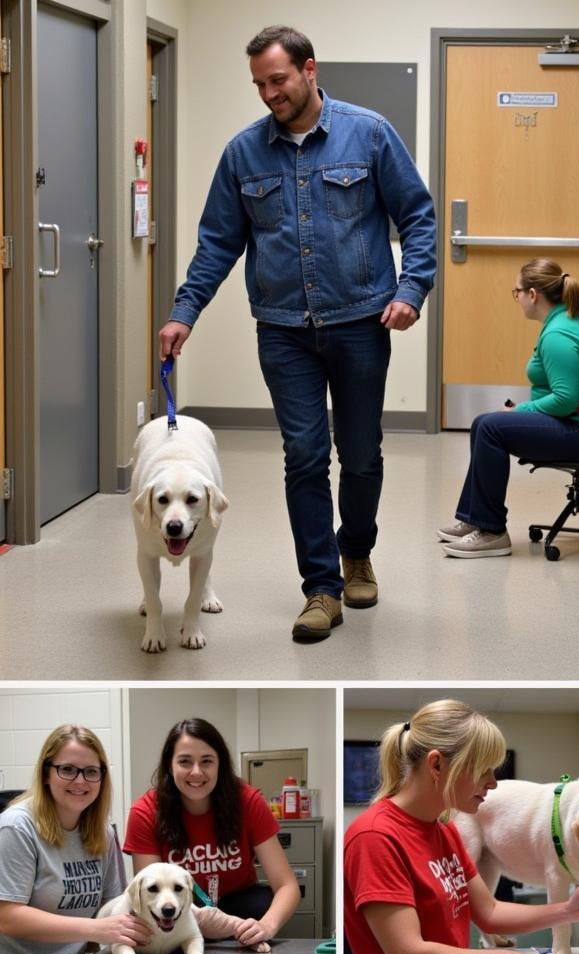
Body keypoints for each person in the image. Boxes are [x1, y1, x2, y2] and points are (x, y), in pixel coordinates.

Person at [157, 25, 437, 641]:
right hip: (283, 330)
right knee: (305, 456)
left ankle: (356, 551)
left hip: (362, 321)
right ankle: (321, 589)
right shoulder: (243, 154)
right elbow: (217, 244)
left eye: (277, 80)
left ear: (309, 70)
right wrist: (185, 311)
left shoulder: (368, 133)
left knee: (360, 455)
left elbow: (417, 216)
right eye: (258, 84)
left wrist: (411, 291)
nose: (268, 94)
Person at [343, 699, 579, 954]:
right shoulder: (375, 837)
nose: (492, 783)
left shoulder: (444, 832)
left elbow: (488, 912)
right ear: (437, 765)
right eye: (484, 771)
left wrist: (570, 910)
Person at [438, 258, 579, 558]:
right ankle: (474, 518)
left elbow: (565, 400)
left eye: (518, 292)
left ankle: (491, 531)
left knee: (489, 427)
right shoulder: (566, 321)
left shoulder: (558, 334)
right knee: (483, 423)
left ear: (533, 294)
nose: (518, 298)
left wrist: (522, 411)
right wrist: (523, 410)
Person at [0, 726, 150, 954]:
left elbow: (113, 904)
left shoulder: (102, 832)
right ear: (46, 773)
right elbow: (7, 916)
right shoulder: (17, 827)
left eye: (91, 771)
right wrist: (95, 930)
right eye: (67, 769)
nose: (80, 781)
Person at [122, 718, 299, 949]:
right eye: (185, 761)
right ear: (169, 765)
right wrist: (195, 919)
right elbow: (148, 896)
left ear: (220, 765)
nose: (196, 772)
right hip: (178, 914)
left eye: (206, 761)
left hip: (239, 909)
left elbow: (287, 886)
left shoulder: (248, 801)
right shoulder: (144, 813)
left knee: (261, 902)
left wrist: (266, 926)